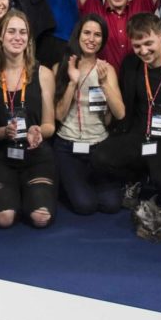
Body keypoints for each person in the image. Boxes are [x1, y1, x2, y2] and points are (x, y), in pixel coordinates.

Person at [98, 13, 161, 206]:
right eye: (137, 46)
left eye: (148, 43)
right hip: (139, 135)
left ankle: (157, 178)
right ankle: (136, 178)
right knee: (99, 156)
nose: (143, 51)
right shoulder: (130, 64)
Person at [0, 9, 57, 228]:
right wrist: (4, 132)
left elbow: (50, 124)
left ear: (29, 39)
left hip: (36, 156)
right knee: (5, 218)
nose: (17, 37)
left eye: (23, 32)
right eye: (11, 31)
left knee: (41, 219)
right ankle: (14, 195)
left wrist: (38, 131)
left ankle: (29, 193)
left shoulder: (44, 74)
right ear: (0, 36)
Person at [52, 14, 126, 214]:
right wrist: (72, 82)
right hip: (67, 145)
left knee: (111, 205)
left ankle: (82, 185)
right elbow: (58, 115)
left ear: (103, 40)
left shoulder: (107, 70)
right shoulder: (60, 68)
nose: (91, 39)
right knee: (85, 206)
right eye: (87, 33)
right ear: (78, 35)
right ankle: (73, 185)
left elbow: (119, 114)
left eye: (97, 35)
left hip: (98, 146)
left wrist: (103, 85)